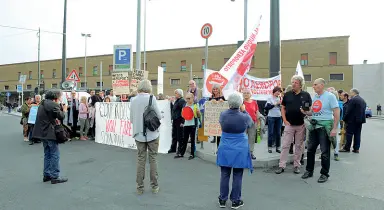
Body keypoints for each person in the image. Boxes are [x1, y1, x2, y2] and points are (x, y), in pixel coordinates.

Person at [216, 92, 253, 209]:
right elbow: (251, 123)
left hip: (225, 145)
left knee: (224, 173)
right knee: (237, 174)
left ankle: (222, 199)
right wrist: (245, 110)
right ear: (240, 103)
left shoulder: (223, 114)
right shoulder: (244, 116)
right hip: (240, 147)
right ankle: (236, 201)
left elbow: (221, 124)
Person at [301, 78, 339, 183]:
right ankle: (309, 171)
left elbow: (336, 112)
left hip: (324, 126)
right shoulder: (315, 97)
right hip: (314, 126)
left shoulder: (330, 96)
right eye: (313, 85)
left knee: (325, 152)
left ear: (322, 85)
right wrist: (305, 112)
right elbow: (312, 112)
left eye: (315, 84)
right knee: (310, 150)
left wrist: (335, 128)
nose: (313, 86)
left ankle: (324, 174)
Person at [130, 80, 161, 195]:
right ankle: (154, 186)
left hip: (138, 134)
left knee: (140, 160)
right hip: (152, 133)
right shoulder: (152, 99)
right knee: (153, 159)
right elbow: (158, 115)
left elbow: (131, 119)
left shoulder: (133, 100)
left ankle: (139, 187)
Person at [276, 76, 311, 175]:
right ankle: (281, 165)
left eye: (295, 82)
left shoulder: (306, 95)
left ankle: (297, 165)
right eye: (292, 82)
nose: (293, 84)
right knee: (285, 145)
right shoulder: (287, 95)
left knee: (298, 146)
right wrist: (285, 120)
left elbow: (308, 109)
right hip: (289, 124)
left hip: (301, 125)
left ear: (300, 84)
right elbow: (283, 108)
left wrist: (305, 111)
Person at [32, 89, 68, 184]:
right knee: (55, 154)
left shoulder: (43, 103)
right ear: (55, 97)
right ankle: (55, 176)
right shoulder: (53, 105)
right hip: (50, 132)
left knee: (47, 154)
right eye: (60, 96)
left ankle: (47, 175)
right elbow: (61, 116)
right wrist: (64, 110)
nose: (61, 98)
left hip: (43, 133)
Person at [340, 88, 366, 153]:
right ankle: (356, 148)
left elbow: (348, 111)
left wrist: (344, 118)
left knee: (349, 134)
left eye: (350, 92)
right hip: (360, 120)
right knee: (357, 134)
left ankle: (347, 148)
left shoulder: (353, 100)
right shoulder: (362, 100)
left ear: (354, 93)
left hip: (352, 120)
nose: (349, 94)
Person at [178, 92, 201, 160]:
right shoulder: (185, 105)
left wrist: (198, 112)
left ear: (192, 98)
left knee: (192, 140)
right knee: (185, 139)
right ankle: (182, 153)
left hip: (193, 124)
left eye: (189, 98)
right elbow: (183, 115)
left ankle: (192, 154)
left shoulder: (196, 105)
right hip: (186, 124)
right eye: (186, 98)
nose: (187, 100)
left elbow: (199, 116)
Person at [265, 86, 282, 153]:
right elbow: (268, 107)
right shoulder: (270, 98)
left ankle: (278, 147)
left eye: (279, 92)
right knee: (271, 132)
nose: (278, 93)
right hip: (271, 116)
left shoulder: (280, 98)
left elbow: (281, 107)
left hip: (278, 116)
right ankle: (270, 147)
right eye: (278, 91)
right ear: (274, 91)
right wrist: (276, 104)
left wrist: (280, 105)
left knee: (278, 133)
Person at [242, 88, 258, 160]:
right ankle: (243, 152)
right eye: (244, 93)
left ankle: (251, 152)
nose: (246, 94)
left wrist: (258, 121)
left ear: (250, 94)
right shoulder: (241, 102)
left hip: (253, 123)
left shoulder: (254, 102)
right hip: (243, 123)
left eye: (247, 93)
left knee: (251, 138)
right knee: (243, 138)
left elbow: (257, 112)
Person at [169, 89, 186, 154]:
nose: (174, 94)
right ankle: (173, 148)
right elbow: (174, 109)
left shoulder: (182, 101)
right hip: (175, 119)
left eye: (175, 93)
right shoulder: (177, 101)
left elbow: (183, 111)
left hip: (179, 120)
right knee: (174, 135)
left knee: (180, 136)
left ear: (179, 94)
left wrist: (182, 121)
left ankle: (179, 150)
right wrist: (171, 102)